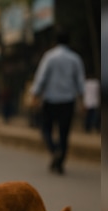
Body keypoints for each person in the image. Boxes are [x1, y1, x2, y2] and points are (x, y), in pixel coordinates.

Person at [30, 30, 85, 174]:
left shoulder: (49, 57)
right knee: (64, 133)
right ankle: (60, 161)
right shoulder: (75, 58)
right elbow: (80, 82)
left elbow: (41, 77)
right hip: (68, 100)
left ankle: (54, 150)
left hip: (50, 100)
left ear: (55, 41)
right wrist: (82, 101)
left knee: (46, 129)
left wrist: (35, 95)